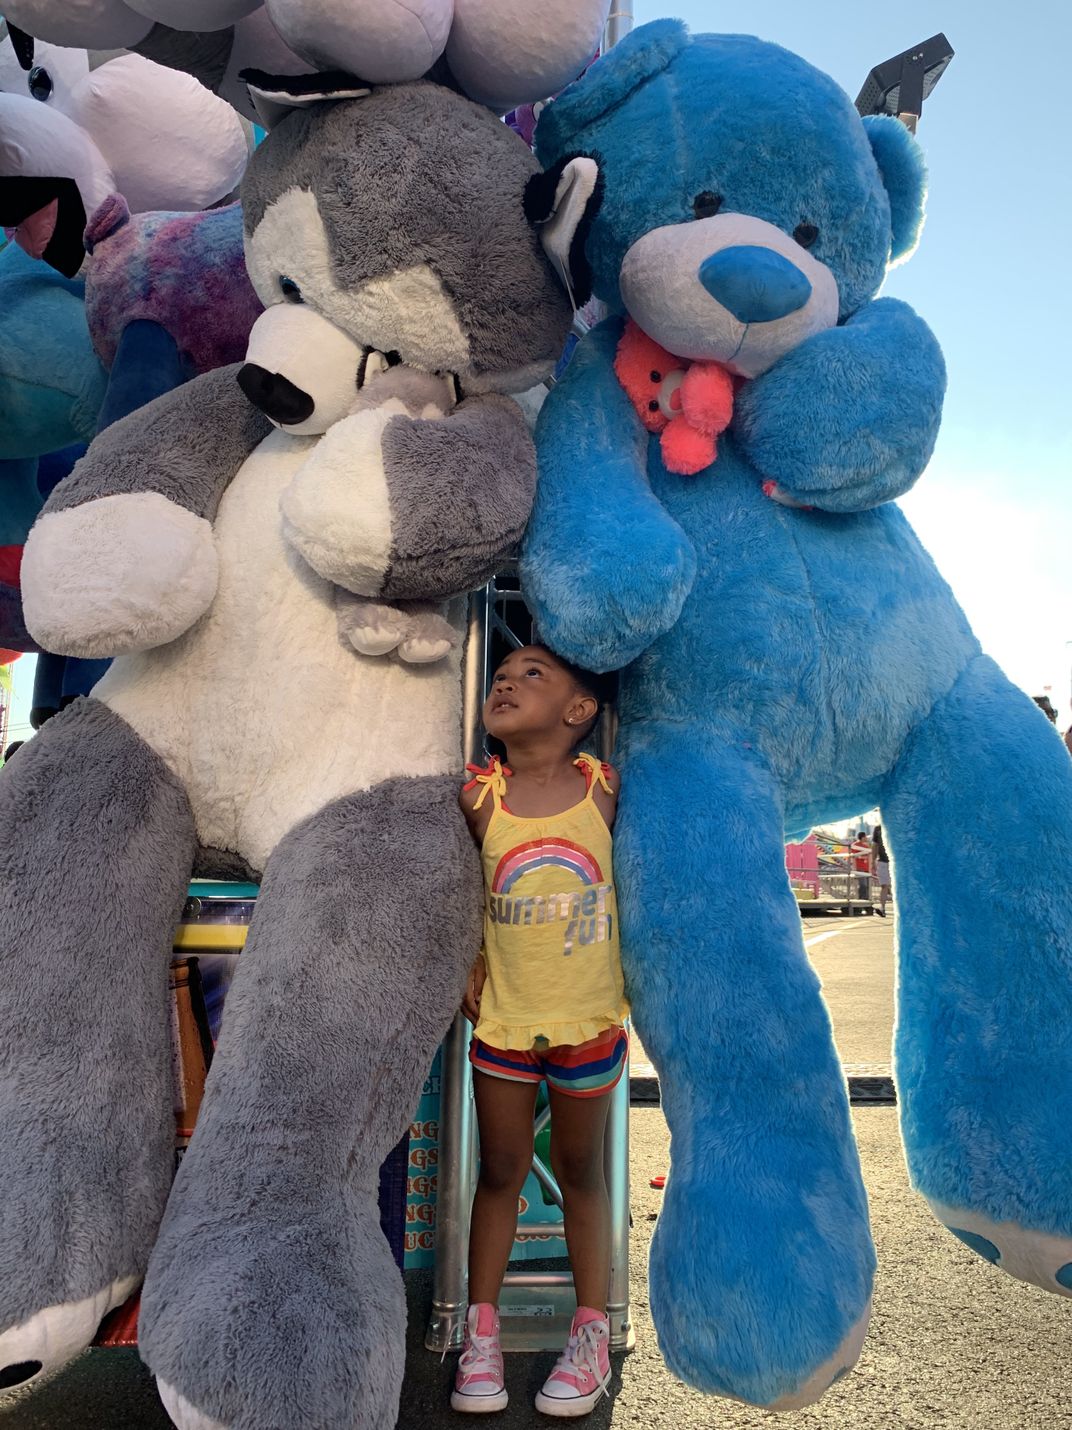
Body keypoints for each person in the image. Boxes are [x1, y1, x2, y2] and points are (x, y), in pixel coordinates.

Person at [452, 644, 628, 1419]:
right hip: (505, 1024)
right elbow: (450, 889)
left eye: (532, 675)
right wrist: (464, 956)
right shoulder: (477, 798)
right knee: (500, 1171)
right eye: (501, 673)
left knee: (583, 1171)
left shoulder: (606, 790)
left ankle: (589, 1335)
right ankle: (478, 1334)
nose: (505, 680)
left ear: (579, 711)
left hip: (589, 1022)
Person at [871, 823, 891, 916]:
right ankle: (883, 908)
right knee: (884, 886)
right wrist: (873, 861)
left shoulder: (895, 824)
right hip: (883, 861)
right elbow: (875, 845)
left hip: (894, 861)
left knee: (892, 886)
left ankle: (884, 908)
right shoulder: (878, 828)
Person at [850, 829, 871, 901]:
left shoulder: (866, 846)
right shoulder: (855, 845)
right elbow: (853, 856)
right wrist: (862, 857)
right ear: (862, 837)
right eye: (866, 837)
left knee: (868, 885)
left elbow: (869, 855)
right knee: (863, 885)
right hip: (859, 867)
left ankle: (866, 900)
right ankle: (861, 899)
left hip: (867, 868)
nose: (867, 838)